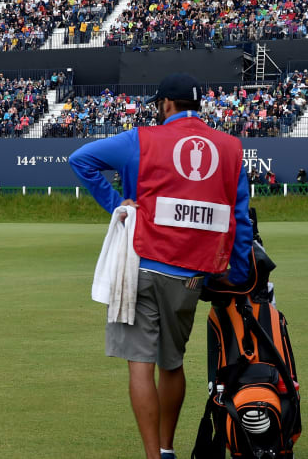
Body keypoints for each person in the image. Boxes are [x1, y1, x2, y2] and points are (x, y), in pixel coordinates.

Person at [69, 74, 252, 459]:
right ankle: (168, 448)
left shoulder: (141, 138)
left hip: (140, 264)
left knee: (141, 365)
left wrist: (118, 204)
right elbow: (240, 220)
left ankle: (155, 457)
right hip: (191, 275)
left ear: (166, 105)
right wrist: (236, 274)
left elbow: (80, 160)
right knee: (173, 363)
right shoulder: (231, 148)